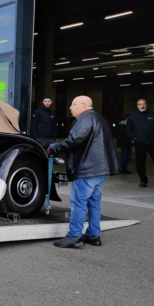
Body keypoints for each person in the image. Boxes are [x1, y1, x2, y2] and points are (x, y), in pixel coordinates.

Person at [47, 96, 119, 248]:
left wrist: (54, 148)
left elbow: (74, 140)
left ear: (84, 105)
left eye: (73, 105)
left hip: (88, 169)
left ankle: (74, 236)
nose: (70, 108)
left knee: (78, 202)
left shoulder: (85, 119)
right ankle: (93, 235)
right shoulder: (99, 119)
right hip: (101, 169)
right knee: (93, 202)